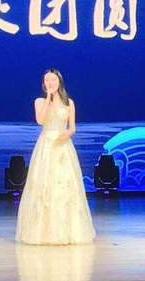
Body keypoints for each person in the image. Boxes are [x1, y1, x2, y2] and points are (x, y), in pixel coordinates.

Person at [16, 69, 95, 245]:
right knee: (44, 184)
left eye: (53, 79)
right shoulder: (39, 101)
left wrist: (65, 135)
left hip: (63, 145)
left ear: (59, 82)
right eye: (47, 80)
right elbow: (40, 120)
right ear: (44, 84)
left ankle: (67, 231)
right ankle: (42, 232)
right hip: (46, 145)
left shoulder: (69, 103)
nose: (50, 82)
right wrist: (48, 98)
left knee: (65, 185)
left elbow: (72, 128)